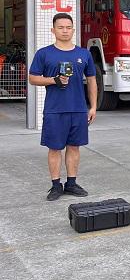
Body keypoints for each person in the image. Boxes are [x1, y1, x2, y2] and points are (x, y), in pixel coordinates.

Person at [28, 13, 97, 201]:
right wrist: (53, 80)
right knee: (54, 148)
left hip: (78, 109)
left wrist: (93, 107)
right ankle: (56, 185)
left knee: (74, 147)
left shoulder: (84, 54)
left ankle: (72, 184)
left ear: (73, 30)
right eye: (61, 27)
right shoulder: (44, 53)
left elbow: (91, 81)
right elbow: (32, 78)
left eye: (68, 27)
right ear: (53, 30)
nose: (65, 31)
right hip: (54, 109)